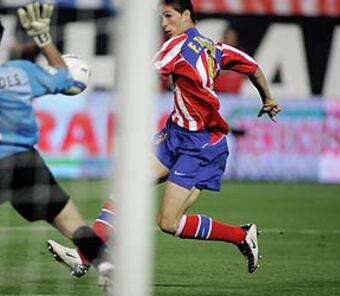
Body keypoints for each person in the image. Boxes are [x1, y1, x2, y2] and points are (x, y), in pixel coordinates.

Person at [48, 0, 281, 277]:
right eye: (161, 17)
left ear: (186, 15)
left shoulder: (177, 47)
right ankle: (84, 257)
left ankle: (241, 236)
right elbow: (252, 66)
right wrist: (268, 98)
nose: (163, 24)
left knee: (168, 223)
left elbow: (142, 75)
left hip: (201, 145)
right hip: (175, 134)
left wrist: (83, 78)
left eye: (168, 16)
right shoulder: (213, 48)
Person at [0, 2, 113, 292]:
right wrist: (44, 40)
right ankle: (106, 265)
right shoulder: (21, 72)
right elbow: (66, 79)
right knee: (74, 224)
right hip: (26, 165)